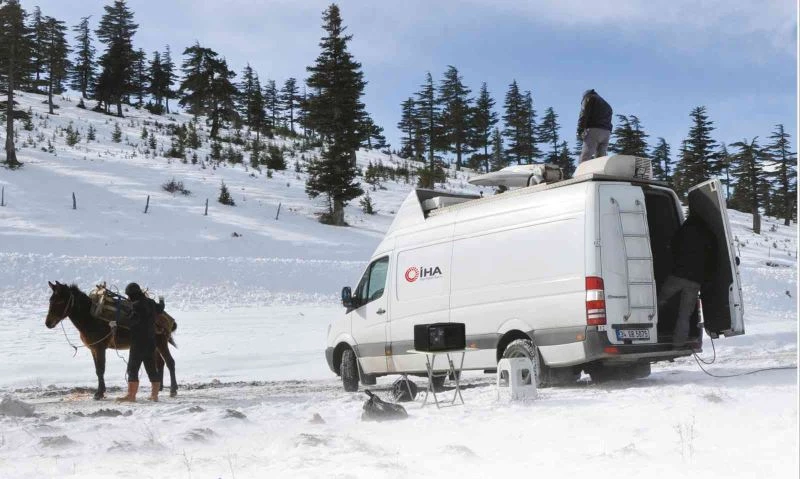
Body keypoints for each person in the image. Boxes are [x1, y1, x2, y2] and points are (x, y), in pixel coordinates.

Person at [658, 213, 717, 348]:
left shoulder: (685, 230)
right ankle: (678, 344)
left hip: (677, 275)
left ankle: (649, 329)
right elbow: (712, 260)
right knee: (684, 315)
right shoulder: (708, 234)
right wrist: (705, 279)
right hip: (694, 281)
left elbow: (673, 246)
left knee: (658, 301)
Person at [111, 283, 164, 402]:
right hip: (151, 342)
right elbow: (160, 308)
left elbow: (132, 321)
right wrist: (161, 299)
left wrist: (115, 324)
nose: (128, 297)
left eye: (129, 295)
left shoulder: (135, 306)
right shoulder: (151, 302)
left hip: (138, 343)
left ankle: (131, 396)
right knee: (151, 369)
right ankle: (154, 396)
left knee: (132, 369)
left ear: (132, 294)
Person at [577, 89, 613, 163]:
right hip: (606, 132)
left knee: (585, 157)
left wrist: (580, 129)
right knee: (601, 160)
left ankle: (581, 170)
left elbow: (584, 114)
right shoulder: (607, 105)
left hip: (594, 130)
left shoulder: (589, 98)